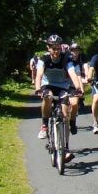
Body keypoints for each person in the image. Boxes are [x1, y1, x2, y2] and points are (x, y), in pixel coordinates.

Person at [34, 34, 84, 163]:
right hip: (48, 84)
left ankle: (65, 148)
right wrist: (38, 88)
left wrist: (78, 88)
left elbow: (72, 73)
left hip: (63, 86)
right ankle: (44, 124)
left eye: (57, 48)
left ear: (60, 48)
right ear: (48, 48)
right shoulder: (43, 58)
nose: (55, 51)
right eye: (52, 48)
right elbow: (39, 74)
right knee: (48, 97)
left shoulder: (66, 58)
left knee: (65, 116)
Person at [68, 42, 88, 111]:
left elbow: (85, 66)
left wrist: (87, 76)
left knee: (84, 82)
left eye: (77, 50)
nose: (75, 52)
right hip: (68, 75)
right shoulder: (68, 58)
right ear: (70, 51)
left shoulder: (82, 56)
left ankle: (81, 98)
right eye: (73, 50)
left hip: (79, 72)